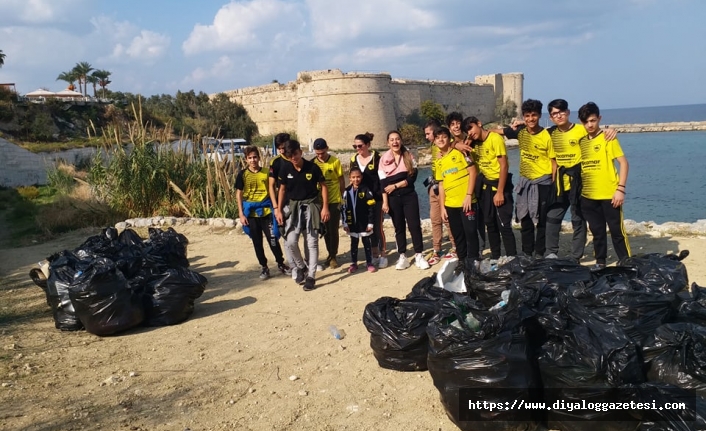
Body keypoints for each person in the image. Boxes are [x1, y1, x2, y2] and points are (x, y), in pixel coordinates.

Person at [499, 99, 557, 258]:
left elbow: (554, 163)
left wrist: (553, 185)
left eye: (534, 115)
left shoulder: (547, 135)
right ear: (523, 117)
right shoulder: (521, 132)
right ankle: (526, 252)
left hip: (543, 183)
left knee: (542, 222)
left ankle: (540, 253)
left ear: (539, 115)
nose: (531, 119)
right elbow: (497, 131)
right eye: (527, 116)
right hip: (525, 183)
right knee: (525, 219)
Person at [577, 102, 631, 268]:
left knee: (617, 232)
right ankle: (600, 262)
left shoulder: (608, 138)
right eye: (586, 122)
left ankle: (626, 263)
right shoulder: (581, 142)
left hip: (610, 194)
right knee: (597, 232)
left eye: (593, 120)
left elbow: (623, 163)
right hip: (588, 195)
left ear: (599, 119)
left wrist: (620, 189)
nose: (590, 125)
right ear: (582, 122)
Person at [274, 140, 330, 291]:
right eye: (290, 155)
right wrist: (278, 210)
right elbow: (282, 190)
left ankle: (311, 276)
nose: (294, 158)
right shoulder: (285, 169)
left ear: (301, 152)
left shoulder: (313, 168)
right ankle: (301, 267)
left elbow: (323, 187)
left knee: (312, 242)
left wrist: (325, 207)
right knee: (290, 241)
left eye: (296, 154)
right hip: (293, 208)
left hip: (311, 207)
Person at [462, 116, 517, 261]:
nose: (470, 133)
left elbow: (504, 166)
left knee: (504, 225)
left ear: (479, 124)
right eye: (467, 131)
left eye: (471, 128)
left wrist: (500, 192)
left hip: (499, 185)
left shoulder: (494, 139)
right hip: (485, 186)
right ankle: (495, 256)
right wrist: (465, 151)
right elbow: (469, 161)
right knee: (490, 224)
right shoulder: (474, 143)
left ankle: (512, 258)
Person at [235, 146, 289, 279]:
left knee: (273, 239)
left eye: (255, 157)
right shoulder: (242, 174)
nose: (253, 160)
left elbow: (274, 190)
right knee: (257, 242)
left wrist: (276, 208)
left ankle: (281, 263)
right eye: (250, 158)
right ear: (246, 159)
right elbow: (239, 194)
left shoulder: (267, 172)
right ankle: (264, 267)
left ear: (259, 158)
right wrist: (241, 214)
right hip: (251, 214)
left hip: (266, 212)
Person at [379, 130, 430, 270]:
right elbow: (383, 184)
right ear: (388, 142)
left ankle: (419, 254)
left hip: (409, 196)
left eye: (397, 139)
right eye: (392, 140)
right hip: (393, 199)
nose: (395, 142)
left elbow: (412, 177)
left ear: (400, 141)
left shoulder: (409, 156)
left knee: (414, 225)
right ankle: (402, 255)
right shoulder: (383, 160)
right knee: (398, 227)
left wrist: (396, 185)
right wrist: (385, 202)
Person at [433, 126, 480, 271]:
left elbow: (473, 172)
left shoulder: (460, 153)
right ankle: (462, 261)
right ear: (434, 141)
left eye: (444, 136)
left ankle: (473, 261)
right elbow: (441, 184)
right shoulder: (439, 161)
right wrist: (442, 208)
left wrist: (468, 196)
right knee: (458, 235)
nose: (441, 139)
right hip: (450, 204)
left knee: (471, 233)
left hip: (466, 202)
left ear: (449, 139)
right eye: (437, 137)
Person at [447, 111, 486, 255]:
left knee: (479, 219)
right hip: (463, 188)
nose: (456, 127)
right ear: (449, 128)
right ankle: (463, 253)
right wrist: (456, 145)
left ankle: (480, 249)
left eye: (458, 123)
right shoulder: (451, 145)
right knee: (464, 224)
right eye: (453, 124)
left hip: (479, 182)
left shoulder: (472, 138)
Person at [351, 132, 388, 268]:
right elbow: (353, 180)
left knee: (378, 227)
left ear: (367, 145)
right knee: (368, 228)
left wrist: (385, 200)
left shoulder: (377, 158)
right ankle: (375, 253)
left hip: (376, 198)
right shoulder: (353, 159)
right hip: (362, 200)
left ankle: (384, 254)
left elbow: (382, 180)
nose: (357, 148)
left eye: (360, 146)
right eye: (355, 146)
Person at [423, 119, 456, 265]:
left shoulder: (449, 146)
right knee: (435, 219)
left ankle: (455, 247)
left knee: (448, 219)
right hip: (434, 187)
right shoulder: (433, 146)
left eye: (428, 133)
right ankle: (437, 250)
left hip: (446, 188)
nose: (427, 137)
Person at [312, 138, 345, 269]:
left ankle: (333, 256)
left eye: (322, 152)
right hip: (319, 202)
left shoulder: (335, 161)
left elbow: (341, 180)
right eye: (318, 153)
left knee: (333, 229)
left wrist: (341, 195)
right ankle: (329, 254)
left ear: (327, 148)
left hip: (334, 200)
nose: (320, 155)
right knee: (324, 230)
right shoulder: (313, 164)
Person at [341, 166, 377, 273]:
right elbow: (343, 208)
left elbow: (371, 208)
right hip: (352, 224)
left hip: (364, 223)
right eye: (353, 177)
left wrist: (370, 223)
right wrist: (345, 223)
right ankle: (354, 263)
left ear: (361, 177)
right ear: (350, 178)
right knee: (354, 243)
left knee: (366, 242)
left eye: (358, 177)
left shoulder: (366, 190)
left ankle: (369, 262)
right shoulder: (346, 192)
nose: (356, 179)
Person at [268, 132, 294, 276]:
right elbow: (271, 186)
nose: (282, 150)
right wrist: (276, 207)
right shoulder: (276, 162)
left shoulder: (296, 158)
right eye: (279, 148)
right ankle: (292, 264)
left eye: (284, 147)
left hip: (299, 201)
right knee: (286, 235)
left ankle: (307, 262)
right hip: (283, 203)